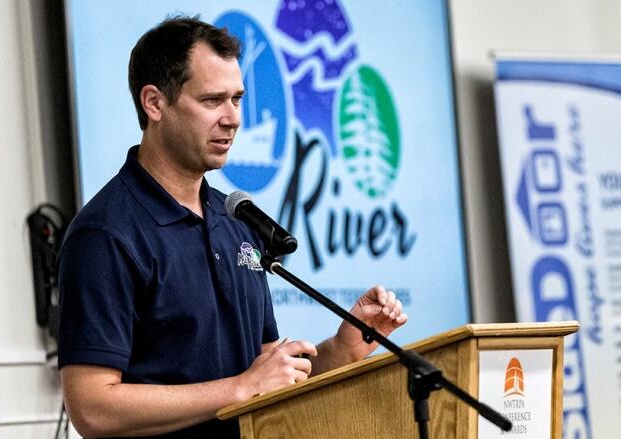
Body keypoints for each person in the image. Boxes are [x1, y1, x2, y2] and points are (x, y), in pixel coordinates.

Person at [57, 16, 407, 438]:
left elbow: (264, 380)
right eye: (212, 101)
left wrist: (341, 350)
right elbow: (93, 407)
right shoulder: (106, 234)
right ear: (154, 103)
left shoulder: (235, 219)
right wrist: (240, 388)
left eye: (237, 99)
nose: (234, 118)